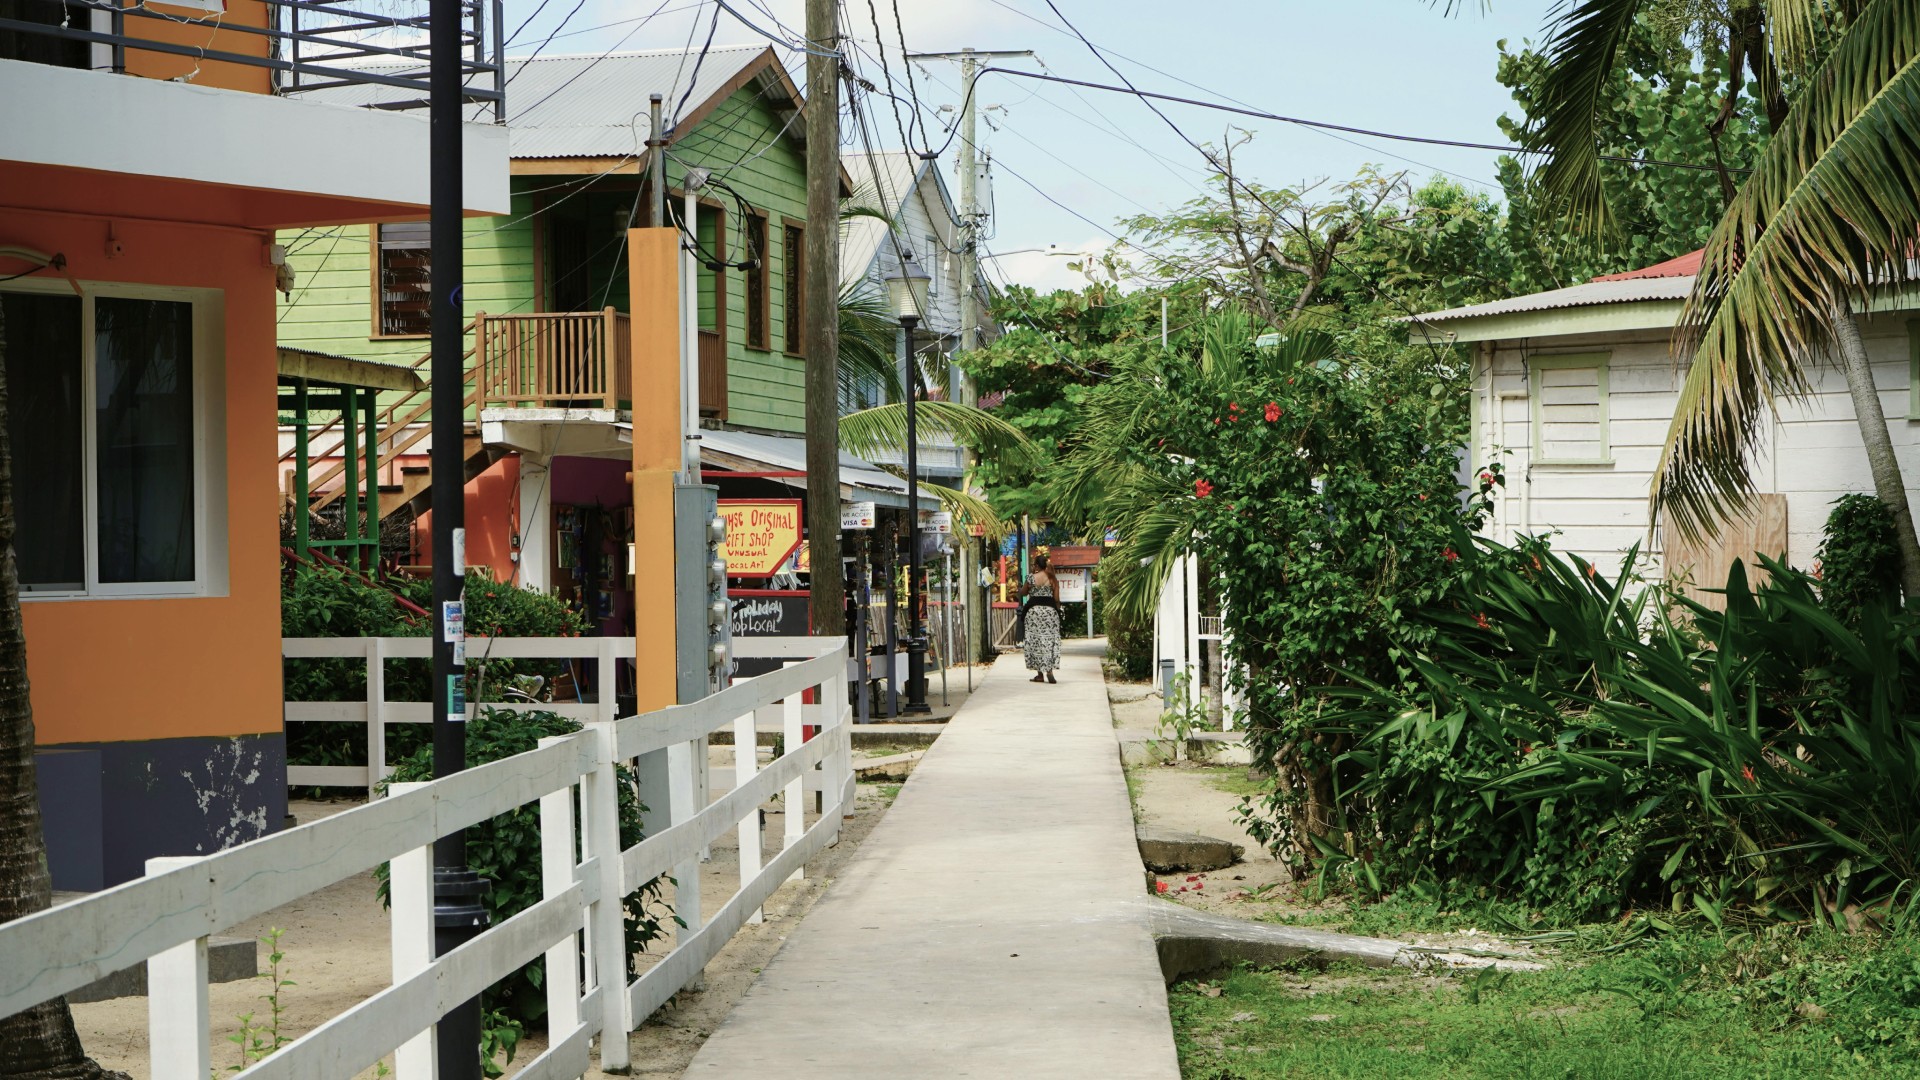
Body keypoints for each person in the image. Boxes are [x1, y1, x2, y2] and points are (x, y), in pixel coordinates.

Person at [1022, 553, 1062, 684]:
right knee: (1049, 641)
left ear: (1037, 565)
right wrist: (1057, 611)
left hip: (1034, 612)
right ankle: (1049, 670)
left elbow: (1023, 592)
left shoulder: (1031, 578)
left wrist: (1029, 579)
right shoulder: (1053, 579)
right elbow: (1056, 599)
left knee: (1036, 641)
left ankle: (1039, 675)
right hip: (1050, 613)